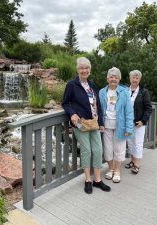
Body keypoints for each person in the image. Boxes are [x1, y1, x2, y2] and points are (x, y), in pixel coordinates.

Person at [62, 57, 111, 194]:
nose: (84, 70)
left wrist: (101, 122)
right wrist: (72, 113)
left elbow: (98, 104)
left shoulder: (92, 84)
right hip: (81, 123)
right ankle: (88, 180)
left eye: (86, 68)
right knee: (86, 151)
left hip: (94, 123)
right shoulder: (72, 85)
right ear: (78, 70)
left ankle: (97, 180)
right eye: (81, 68)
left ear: (90, 70)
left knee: (97, 150)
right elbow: (65, 103)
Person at [99, 67, 133, 183]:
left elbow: (129, 111)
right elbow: (99, 110)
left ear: (119, 79)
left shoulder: (124, 92)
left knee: (119, 149)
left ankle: (117, 170)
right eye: (111, 77)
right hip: (106, 126)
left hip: (120, 126)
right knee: (108, 150)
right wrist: (99, 123)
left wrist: (129, 128)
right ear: (107, 78)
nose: (113, 79)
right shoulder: (102, 92)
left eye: (116, 77)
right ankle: (111, 169)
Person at [125, 70, 152, 174]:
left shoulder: (143, 92)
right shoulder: (125, 90)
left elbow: (148, 108)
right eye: (133, 77)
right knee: (130, 143)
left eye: (137, 78)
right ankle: (132, 161)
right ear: (130, 78)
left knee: (138, 143)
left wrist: (143, 120)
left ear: (139, 79)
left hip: (138, 123)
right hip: (128, 122)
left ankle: (137, 164)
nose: (134, 79)